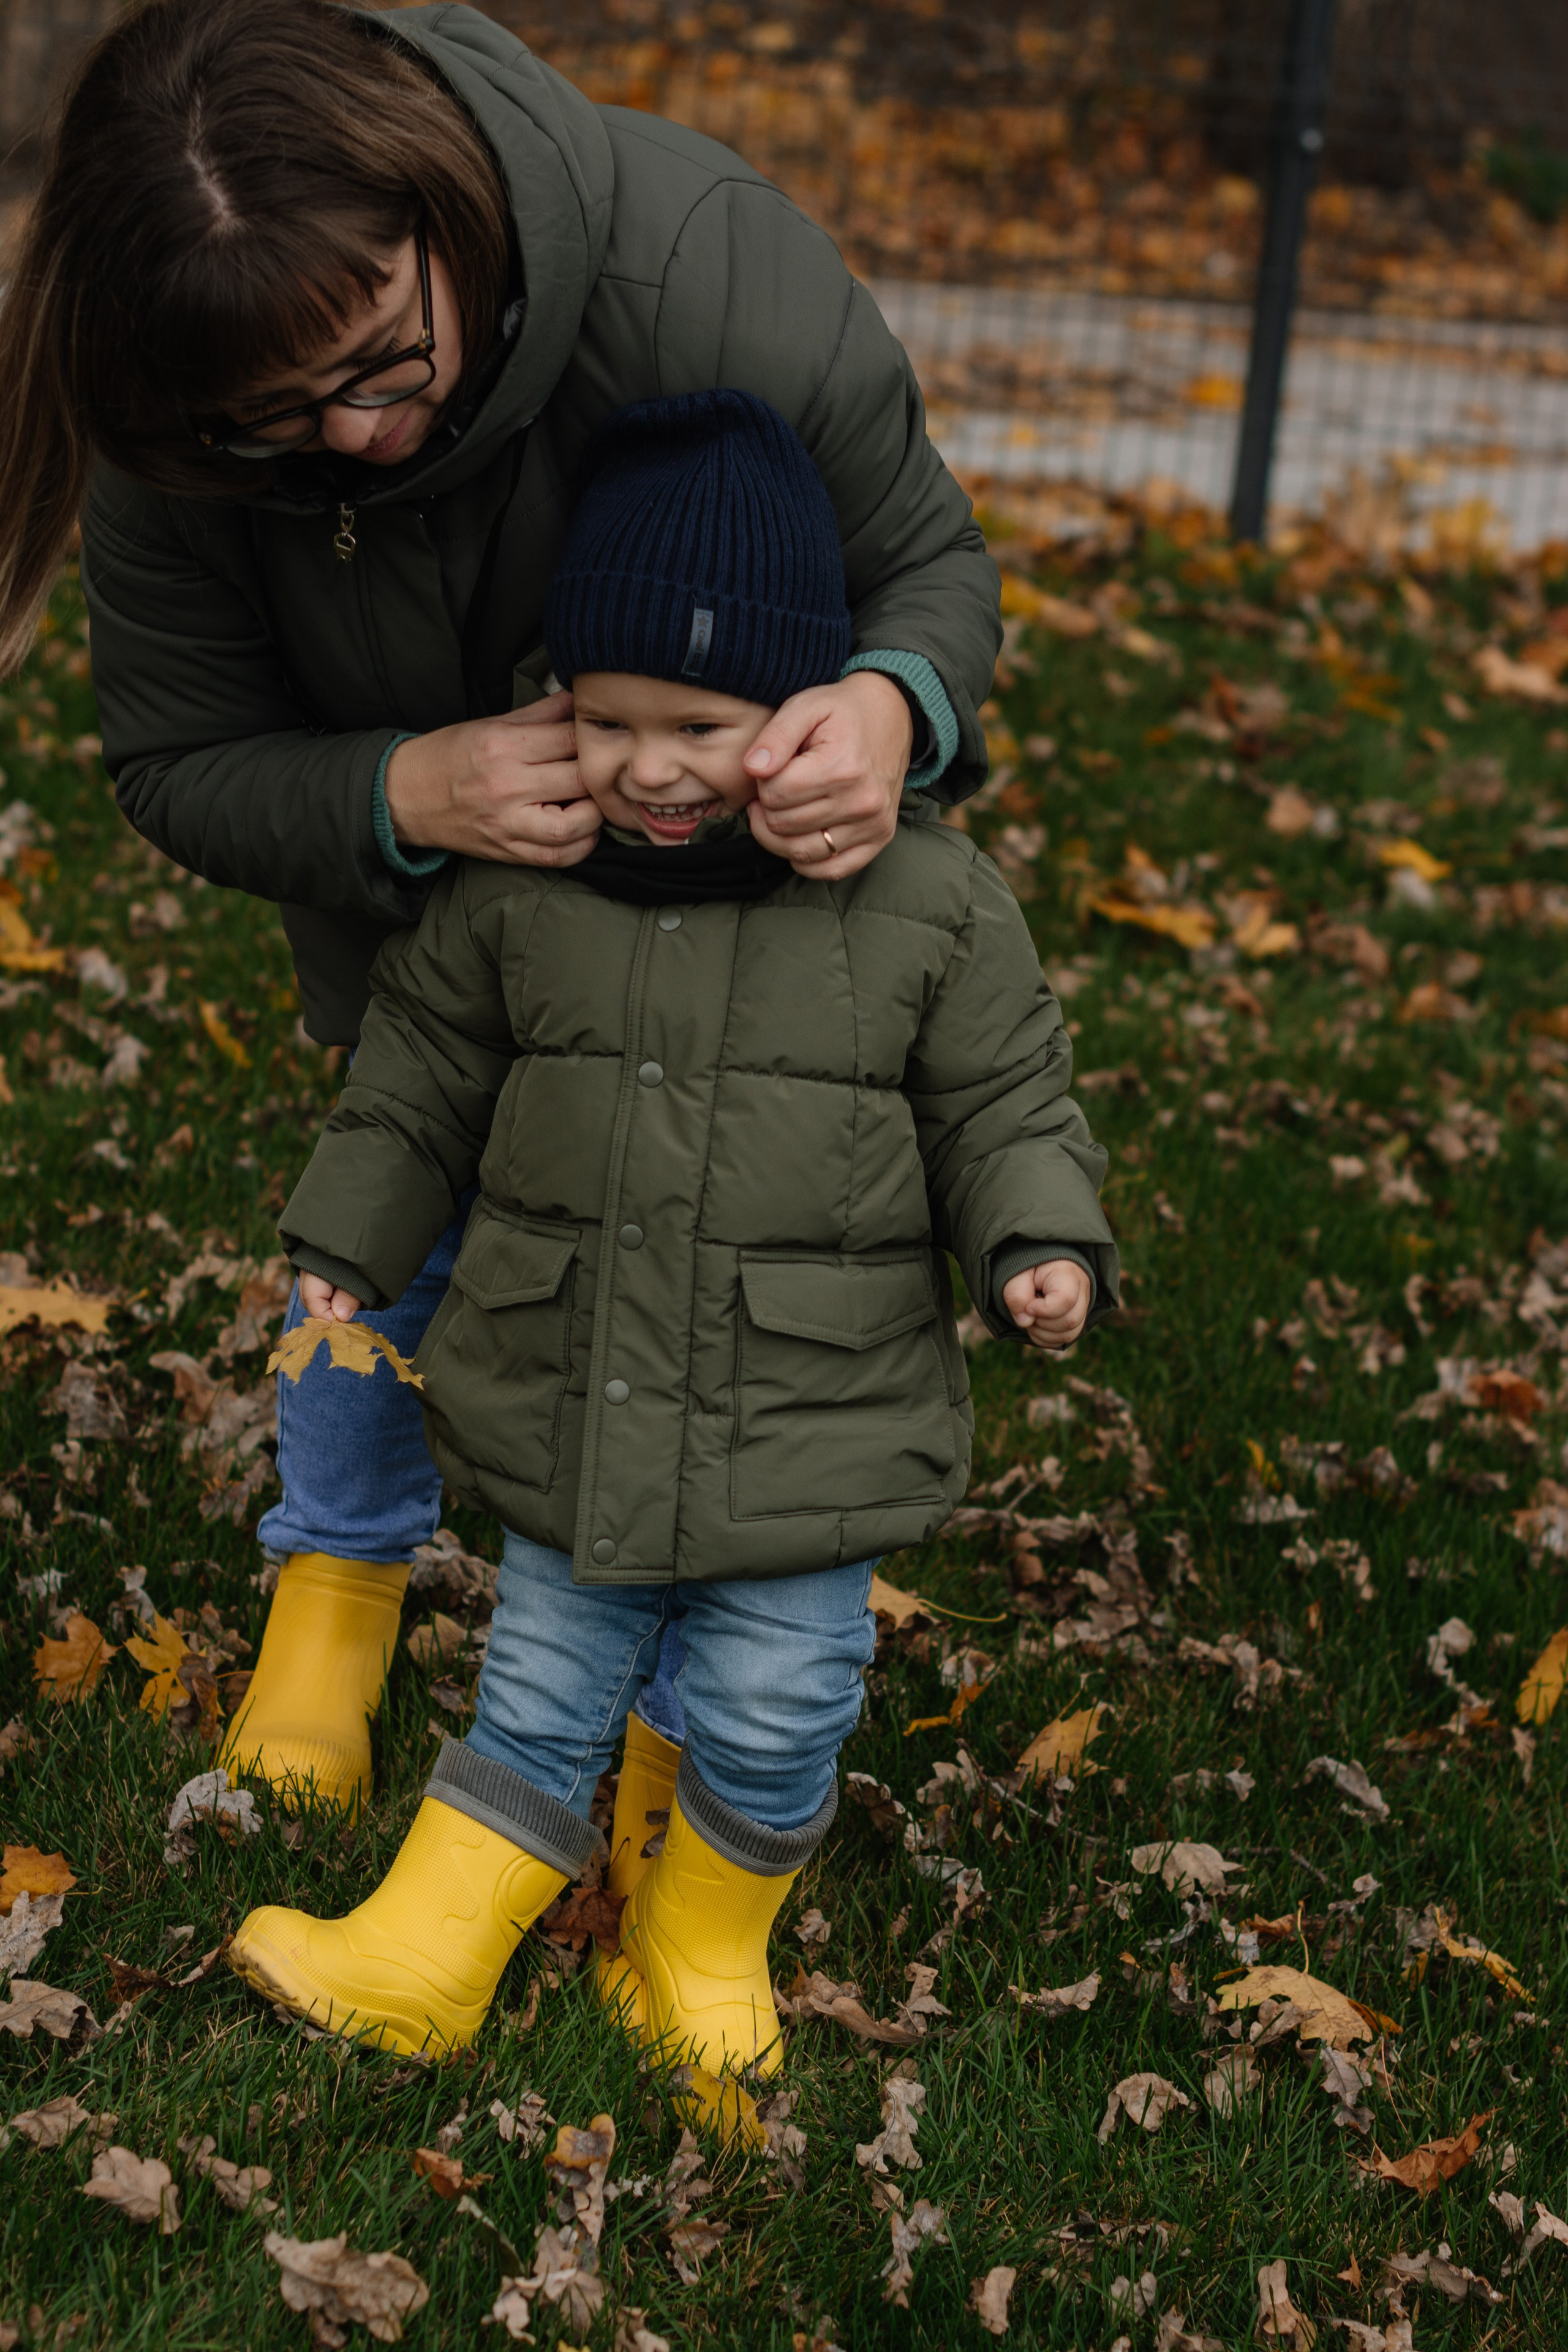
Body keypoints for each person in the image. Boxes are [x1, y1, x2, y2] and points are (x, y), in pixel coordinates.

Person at [0, 0, 1003, 1817]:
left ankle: (683, 1702)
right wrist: (396, 792)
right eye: (280, 423)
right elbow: (176, 753)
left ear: (444, 213)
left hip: (746, 961)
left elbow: (926, 564)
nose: (362, 441)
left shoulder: (705, 267)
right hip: (436, 962)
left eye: (387, 360)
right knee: (392, 1232)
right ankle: (338, 1585)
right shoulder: (171, 407)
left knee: (708, 1287)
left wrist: (891, 705)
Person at [227, 390, 1117, 2069]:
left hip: (810, 1404)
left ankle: (699, 1955)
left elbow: (1006, 1099)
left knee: (781, 1706)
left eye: (699, 726)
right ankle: (428, 1952)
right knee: (544, 1678)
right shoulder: (518, 889)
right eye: (607, 716)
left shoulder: (925, 901)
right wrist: (349, 1234)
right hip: (584, 1380)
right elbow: (417, 1080)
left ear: (803, 716)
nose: (647, 767)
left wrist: (1034, 1246)